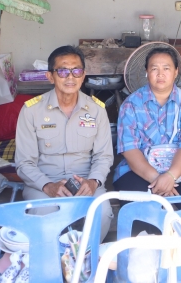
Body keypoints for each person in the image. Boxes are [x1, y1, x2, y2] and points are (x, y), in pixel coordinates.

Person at [15, 45, 114, 240]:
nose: (70, 77)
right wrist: (47, 186)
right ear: (50, 76)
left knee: (102, 212)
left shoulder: (97, 110)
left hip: (86, 182)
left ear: (83, 75)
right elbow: (24, 162)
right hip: (44, 183)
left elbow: (104, 156)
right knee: (43, 215)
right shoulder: (31, 111)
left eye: (76, 71)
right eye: (62, 71)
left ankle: (88, 257)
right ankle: (51, 258)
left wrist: (93, 182)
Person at [112, 46, 181, 231]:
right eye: (154, 68)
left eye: (166, 68)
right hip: (140, 170)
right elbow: (129, 148)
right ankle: (146, 249)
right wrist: (158, 179)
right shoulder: (131, 105)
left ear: (176, 72)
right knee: (141, 211)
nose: (160, 74)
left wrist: (170, 176)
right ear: (146, 72)